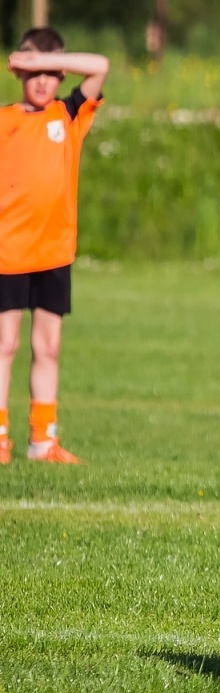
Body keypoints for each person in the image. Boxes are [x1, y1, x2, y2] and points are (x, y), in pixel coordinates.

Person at [0, 28, 108, 465]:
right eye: (31, 72)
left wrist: (44, 59)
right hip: (7, 253)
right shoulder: (5, 119)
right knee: (4, 344)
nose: (41, 81)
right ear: (17, 73)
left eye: (49, 72)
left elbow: (99, 65)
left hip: (53, 252)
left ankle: (43, 442)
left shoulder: (68, 114)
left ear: (61, 74)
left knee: (48, 348)